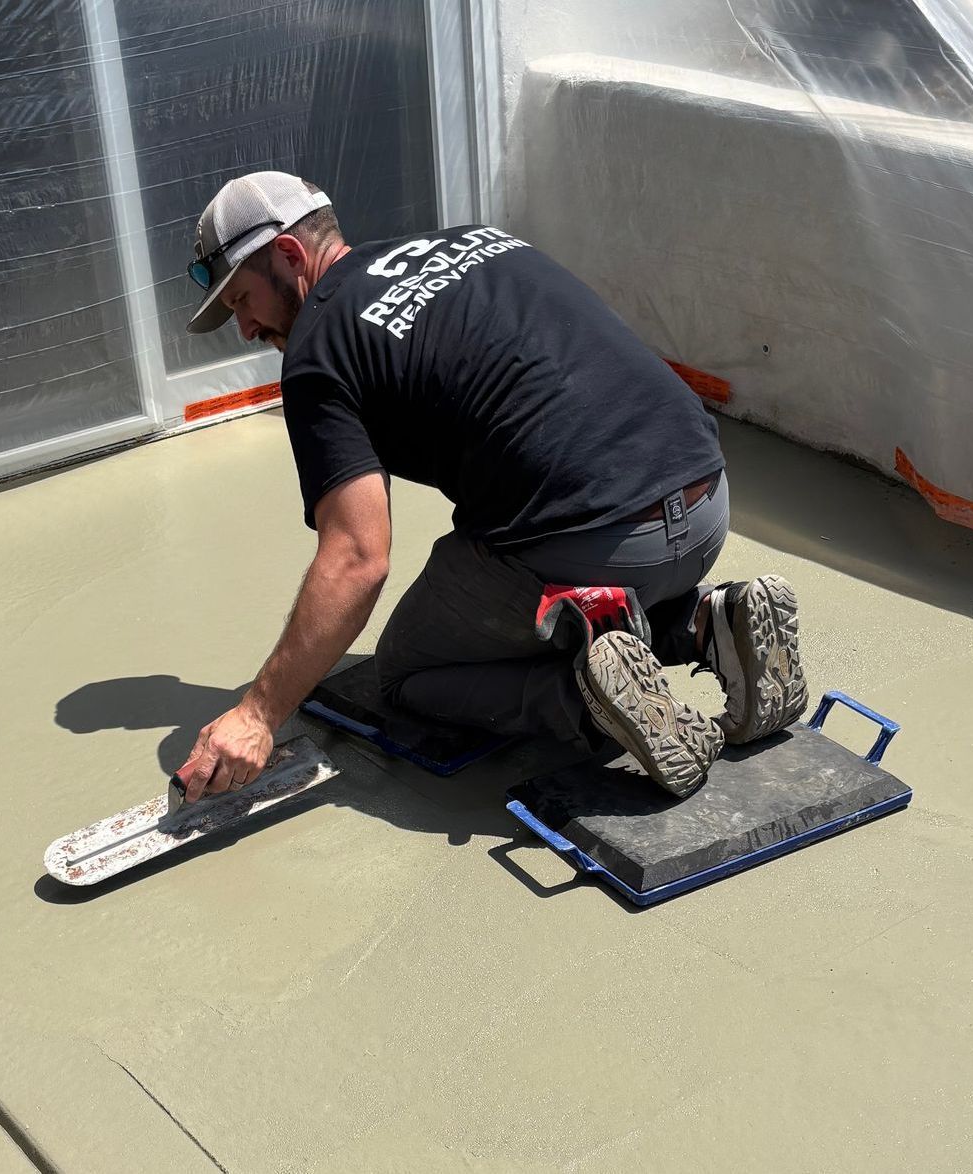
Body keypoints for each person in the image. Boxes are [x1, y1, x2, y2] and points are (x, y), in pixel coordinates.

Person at [172, 171, 806, 801]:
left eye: (241, 302)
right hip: (707, 503)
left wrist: (256, 715)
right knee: (509, 533)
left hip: (596, 542)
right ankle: (708, 621)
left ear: (289, 254)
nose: (247, 330)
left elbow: (358, 560)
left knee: (405, 670)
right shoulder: (477, 241)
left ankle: (587, 700)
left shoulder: (319, 349)